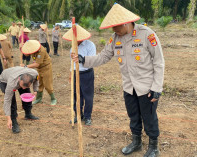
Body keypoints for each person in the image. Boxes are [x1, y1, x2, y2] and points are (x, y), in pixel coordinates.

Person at [71, 3, 164, 157]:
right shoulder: (114, 38)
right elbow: (103, 57)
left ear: (126, 23)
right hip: (129, 87)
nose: (115, 32)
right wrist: (83, 59)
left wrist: (157, 88)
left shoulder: (147, 34)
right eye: (112, 29)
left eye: (117, 28)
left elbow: (158, 62)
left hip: (147, 87)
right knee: (133, 116)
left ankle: (154, 146)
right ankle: (137, 142)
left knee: (149, 117)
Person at [63, 25, 96, 125]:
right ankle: (78, 114)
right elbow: (71, 62)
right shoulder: (73, 47)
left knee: (88, 96)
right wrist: (70, 73)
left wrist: (81, 59)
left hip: (87, 74)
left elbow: (92, 61)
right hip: (75, 74)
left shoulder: (90, 45)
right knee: (76, 95)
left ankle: (87, 117)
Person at [0, 66, 40, 133]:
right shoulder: (12, 83)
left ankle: (28, 114)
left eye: (25, 86)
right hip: (5, 80)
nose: (23, 88)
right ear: (19, 80)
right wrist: (8, 119)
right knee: (12, 101)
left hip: (19, 76)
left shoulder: (34, 74)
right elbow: (7, 101)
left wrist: (35, 90)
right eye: (22, 86)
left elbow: (36, 80)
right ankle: (14, 121)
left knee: (27, 93)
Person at [20, 40, 57, 106]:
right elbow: (26, 54)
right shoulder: (33, 49)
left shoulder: (41, 51)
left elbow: (37, 64)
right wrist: (22, 49)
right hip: (39, 69)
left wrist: (25, 66)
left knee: (47, 84)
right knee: (40, 84)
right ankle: (38, 99)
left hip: (46, 67)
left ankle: (53, 98)